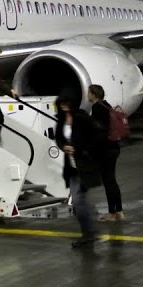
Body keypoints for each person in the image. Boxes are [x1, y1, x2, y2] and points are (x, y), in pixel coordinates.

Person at [54, 92, 103, 248]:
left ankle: (89, 233)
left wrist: (81, 148)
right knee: (80, 201)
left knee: (78, 201)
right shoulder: (61, 120)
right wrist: (64, 146)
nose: (63, 106)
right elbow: (58, 138)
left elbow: (96, 135)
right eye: (61, 104)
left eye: (66, 103)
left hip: (85, 164)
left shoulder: (81, 117)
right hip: (72, 166)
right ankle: (90, 230)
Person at [88, 84, 124, 222]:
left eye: (89, 93)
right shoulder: (107, 105)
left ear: (94, 94)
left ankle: (111, 213)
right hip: (114, 147)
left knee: (108, 181)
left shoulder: (97, 108)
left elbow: (97, 131)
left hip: (105, 149)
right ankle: (119, 211)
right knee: (112, 180)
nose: (87, 95)